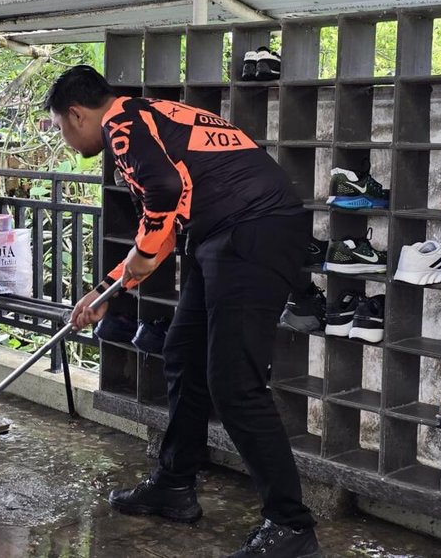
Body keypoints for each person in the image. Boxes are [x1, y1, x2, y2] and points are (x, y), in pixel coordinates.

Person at [50, 66, 320, 558]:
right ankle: (174, 484)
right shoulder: (148, 116)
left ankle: (291, 526)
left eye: (60, 128)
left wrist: (140, 254)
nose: (65, 139)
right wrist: (105, 291)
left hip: (252, 230)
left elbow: (163, 195)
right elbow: (162, 229)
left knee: (234, 382)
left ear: (76, 114)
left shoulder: (122, 125)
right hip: (224, 233)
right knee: (183, 353)